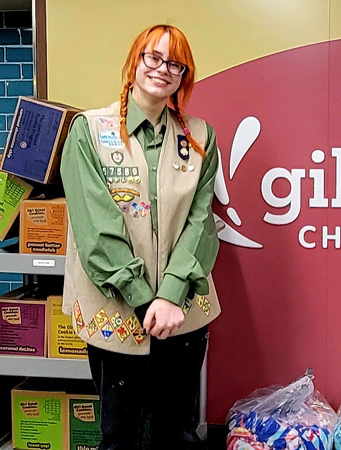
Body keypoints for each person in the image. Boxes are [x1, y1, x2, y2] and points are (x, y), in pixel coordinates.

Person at [58, 24, 223, 450]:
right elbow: (96, 227)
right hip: (115, 304)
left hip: (182, 307)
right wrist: (142, 296)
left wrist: (169, 296)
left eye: (176, 63)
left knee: (177, 432)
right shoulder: (89, 130)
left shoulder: (200, 137)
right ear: (135, 60)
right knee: (120, 434)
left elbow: (201, 224)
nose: (163, 69)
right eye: (154, 57)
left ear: (184, 76)